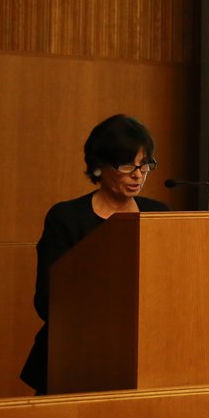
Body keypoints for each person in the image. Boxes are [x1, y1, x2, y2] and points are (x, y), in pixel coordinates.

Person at [19, 114, 170, 394]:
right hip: (74, 359)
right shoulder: (66, 218)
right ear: (99, 166)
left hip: (147, 357)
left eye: (145, 164)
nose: (138, 175)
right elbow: (47, 300)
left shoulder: (159, 214)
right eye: (127, 165)